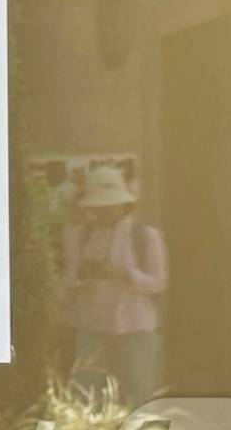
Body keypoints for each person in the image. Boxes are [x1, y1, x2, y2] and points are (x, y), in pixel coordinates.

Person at [62, 165, 168, 405]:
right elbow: (68, 281)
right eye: (99, 206)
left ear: (123, 204)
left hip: (136, 327)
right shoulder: (80, 236)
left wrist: (125, 275)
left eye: (110, 204)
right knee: (87, 394)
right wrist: (83, 276)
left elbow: (158, 282)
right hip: (92, 327)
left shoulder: (145, 236)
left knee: (139, 392)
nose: (104, 210)